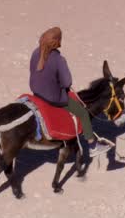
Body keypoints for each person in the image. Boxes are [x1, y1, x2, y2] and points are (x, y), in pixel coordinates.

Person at [30, 26, 107, 158]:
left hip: (36, 92)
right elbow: (67, 83)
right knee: (83, 113)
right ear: (57, 42)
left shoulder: (35, 53)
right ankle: (93, 145)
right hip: (53, 97)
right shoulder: (59, 59)